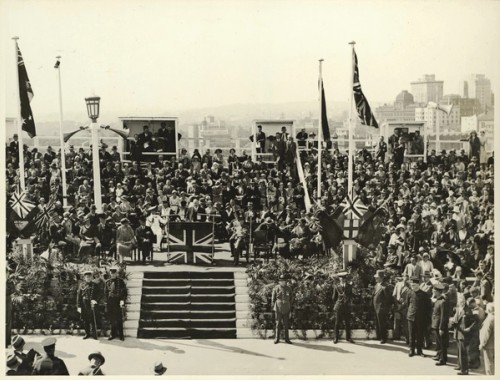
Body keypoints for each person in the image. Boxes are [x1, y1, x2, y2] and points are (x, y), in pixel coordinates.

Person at [407, 277, 431, 357]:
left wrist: (427, 318)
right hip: (411, 317)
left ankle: (419, 350)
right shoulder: (409, 293)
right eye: (412, 285)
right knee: (411, 334)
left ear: (418, 285)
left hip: (421, 318)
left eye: (414, 285)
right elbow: (408, 304)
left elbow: (428, 307)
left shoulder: (424, 295)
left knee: (420, 334)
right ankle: (411, 350)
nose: (413, 286)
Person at [451, 297, 476, 375]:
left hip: (464, 334)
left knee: (463, 353)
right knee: (459, 351)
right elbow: (456, 319)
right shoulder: (458, 309)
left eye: (462, 301)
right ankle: (459, 365)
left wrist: (469, 328)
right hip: (458, 332)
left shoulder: (468, 311)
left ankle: (464, 370)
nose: (461, 303)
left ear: (465, 302)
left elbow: (475, 321)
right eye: (459, 301)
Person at [104, 265, 127, 341]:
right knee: (112, 319)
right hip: (110, 303)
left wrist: (122, 300)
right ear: (110, 273)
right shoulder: (107, 282)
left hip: (118, 302)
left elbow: (124, 292)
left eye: (114, 273)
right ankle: (112, 334)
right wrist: (106, 302)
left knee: (119, 319)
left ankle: (121, 335)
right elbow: (105, 293)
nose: (113, 274)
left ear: (117, 273)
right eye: (111, 273)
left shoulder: (121, 281)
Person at [332, 272, 354, 344]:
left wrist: (347, 301)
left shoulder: (349, 286)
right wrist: (339, 302)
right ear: (339, 279)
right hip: (339, 307)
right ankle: (336, 338)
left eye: (344, 278)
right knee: (337, 322)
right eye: (341, 279)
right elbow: (334, 298)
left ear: (345, 279)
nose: (342, 280)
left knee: (347, 322)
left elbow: (351, 296)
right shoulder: (337, 287)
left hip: (347, 306)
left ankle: (348, 337)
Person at [77, 270, 99, 340]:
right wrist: (79, 306)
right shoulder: (82, 285)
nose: (88, 278)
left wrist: (96, 300)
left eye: (89, 277)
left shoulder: (95, 285)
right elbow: (78, 296)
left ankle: (94, 334)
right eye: (87, 277)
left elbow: (100, 294)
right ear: (84, 278)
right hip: (84, 304)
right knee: (85, 320)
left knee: (93, 319)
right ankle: (87, 333)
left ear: (92, 277)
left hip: (92, 305)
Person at [431, 282, 450, 366]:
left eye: (434, 290)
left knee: (442, 343)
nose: (433, 292)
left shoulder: (442, 302)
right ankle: (439, 355)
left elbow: (443, 316)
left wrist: (441, 328)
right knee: (438, 342)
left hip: (439, 326)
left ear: (438, 292)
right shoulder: (438, 300)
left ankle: (443, 359)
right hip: (435, 324)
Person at [372, 269, 393, 344]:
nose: (376, 279)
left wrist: (385, 307)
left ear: (381, 278)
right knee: (377, 322)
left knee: (382, 323)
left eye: (377, 278)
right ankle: (379, 336)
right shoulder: (376, 285)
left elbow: (388, 299)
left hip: (381, 308)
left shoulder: (385, 286)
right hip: (376, 307)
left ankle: (383, 338)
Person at [271, 274, 293, 344]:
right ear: (279, 282)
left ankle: (287, 339)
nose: (282, 282)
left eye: (284, 281)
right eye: (281, 281)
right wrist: (277, 304)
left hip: (286, 308)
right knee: (278, 323)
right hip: (278, 308)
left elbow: (291, 298)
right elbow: (273, 299)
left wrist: (289, 305)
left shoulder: (289, 289)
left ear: (286, 281)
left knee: (286, 324)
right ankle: (277, 338)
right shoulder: (276, 288)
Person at [479, 303, 494, 376]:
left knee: (489, 365)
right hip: (493, 344)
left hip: (489, 345)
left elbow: (486, 333)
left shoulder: (490, 319)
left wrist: (482, 344)